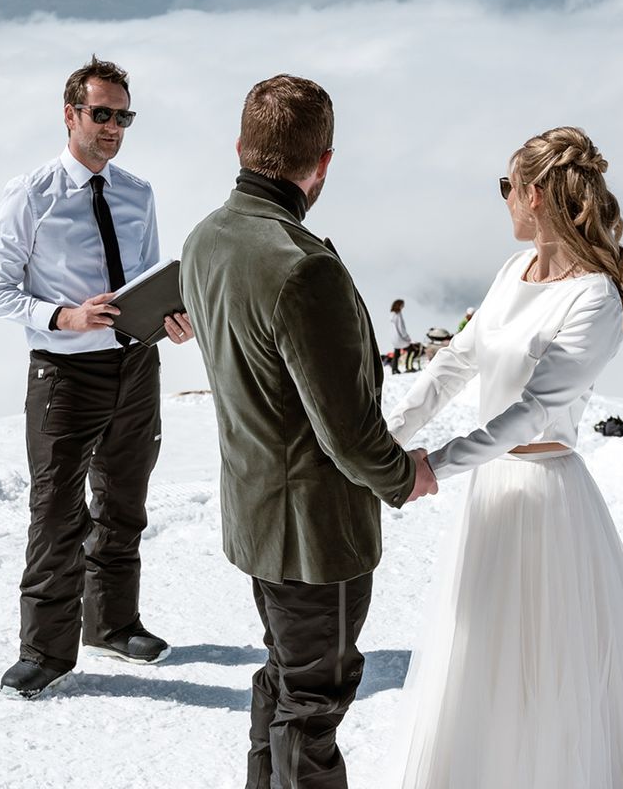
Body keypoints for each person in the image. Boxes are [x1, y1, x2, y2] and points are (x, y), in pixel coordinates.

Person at [386, 127, 623, 788]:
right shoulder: (511, 271)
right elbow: (457, 361)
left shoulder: (594, 298)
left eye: (506, 186)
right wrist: (389, 435)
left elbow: (533, 411)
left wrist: (435, 464)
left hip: (545, 499)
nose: (503, 198)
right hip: (491, 493)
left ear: (534, 195)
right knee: (482, 662)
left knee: (547, 670)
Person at [180, 73, 437, 789]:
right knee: (313, 702)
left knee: (285, 677)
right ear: (323, 162)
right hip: (315, 534)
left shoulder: (205, 238)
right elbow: (346, 433)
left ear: (241, 146)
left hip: (256, 511)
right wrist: (404, 475)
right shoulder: (302, 266)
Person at [0, 55, 195, 700]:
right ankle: (44, 651)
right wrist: (63, 316)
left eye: (124, 117)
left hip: (136, 364)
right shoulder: (31, 194)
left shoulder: (138, 193)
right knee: (57, 512)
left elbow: (148, 279)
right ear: (70, 114)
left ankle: (113, 624)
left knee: (124, 501)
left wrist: (169, 318)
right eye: (101, 114)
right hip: (65, 374)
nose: (113, 128)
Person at [390, 299, 413, 374]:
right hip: (400, 337)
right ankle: (409, 367)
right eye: (402, 305)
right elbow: (401, 328)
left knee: (396, 353)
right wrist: (407, 338)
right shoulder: (398, 314)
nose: (403, 306)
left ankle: (394, 369)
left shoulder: (392, 314)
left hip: (394, 338)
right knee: (411, 349)